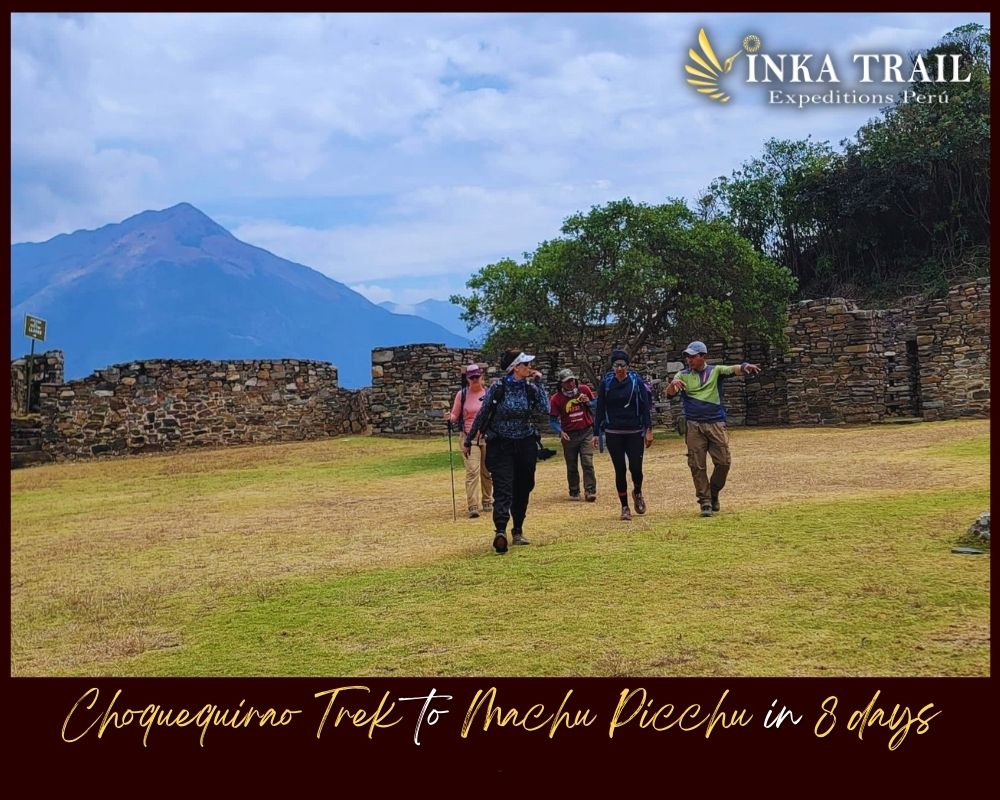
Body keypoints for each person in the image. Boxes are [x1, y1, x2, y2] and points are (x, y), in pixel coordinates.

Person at [464, 349, 549, 554]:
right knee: (503, 487)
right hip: (501, 445)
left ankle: (518, 530)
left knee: (524, 486)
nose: (529, 368)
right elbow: (483, 413)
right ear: (515, 368)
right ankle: (500, 530)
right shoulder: (498, 388)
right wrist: (469, 439)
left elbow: (545, 409)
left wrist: (540, 383)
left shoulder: (530, 389)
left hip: (525, 443)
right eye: (526, 365)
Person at [665, 340, 761, 517]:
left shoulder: (715, 371)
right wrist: (673, 386)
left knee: (724, 462)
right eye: (687, 357)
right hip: (693, 425)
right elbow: (671, 390)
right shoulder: (683, 374)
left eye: (693, 356)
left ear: (703, 356)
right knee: (697, 464)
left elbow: (733, 368)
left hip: (716, 422)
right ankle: (705, 501)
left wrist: (746, 366)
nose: (689, 360)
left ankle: (714, 491)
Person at [593, 349, 653, 521]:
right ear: (612, 367)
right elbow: (600, 408)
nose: (619, 369)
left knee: (636, 468)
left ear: (628, 366)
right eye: (616, 365)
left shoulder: (636, 382)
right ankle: (624, 506)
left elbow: (644, 406)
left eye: (622, 365)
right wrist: (596, 432)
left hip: (634, 431)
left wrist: (648, 429)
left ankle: (638, 492)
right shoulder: (607, 383)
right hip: (614, 432)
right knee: (620, 469)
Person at [445, 363, 493, 518]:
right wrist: (449, 418)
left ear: (481, 376)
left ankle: (487, 500)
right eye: (472, 377)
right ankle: (473, 505)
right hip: (469, 438)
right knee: (472, 470)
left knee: (487, 471)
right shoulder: (462, 394)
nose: (475, 380)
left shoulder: (488, 393)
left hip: (487, 436)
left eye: (477, 377)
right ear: (467, 379)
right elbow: (455, 414)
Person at [549, 367, 597, 502]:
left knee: (587, 461)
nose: (571, 384)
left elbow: (595, 404)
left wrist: (588, 401)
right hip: (569, 435)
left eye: (572, 381)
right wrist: (560, 431)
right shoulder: (556, 399)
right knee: (571, 464)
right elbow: (552, 419)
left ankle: (590, 490)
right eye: (567, 382)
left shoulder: (584, 390)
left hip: (586, 431)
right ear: (561, 384)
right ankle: (574, 490)